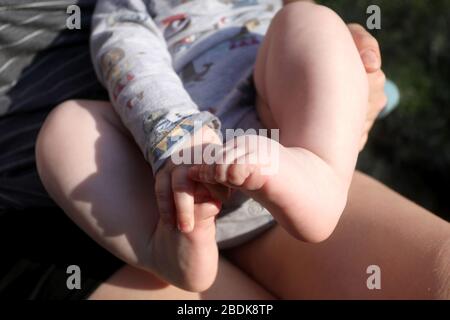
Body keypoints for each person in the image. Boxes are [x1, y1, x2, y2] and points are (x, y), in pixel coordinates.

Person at [1, 0, 447, 299]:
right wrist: (179, 139)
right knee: (65, 127)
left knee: (310, 19)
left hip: (280, 154)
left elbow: (308, 51)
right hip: (167, 181)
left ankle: (321, 174)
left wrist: (352, 77)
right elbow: (127, 57)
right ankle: (164, 250)